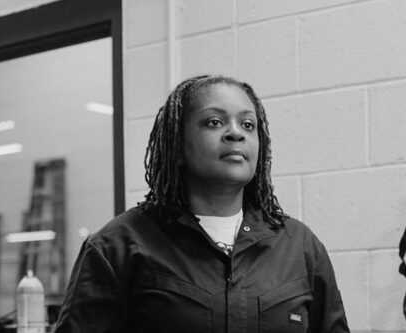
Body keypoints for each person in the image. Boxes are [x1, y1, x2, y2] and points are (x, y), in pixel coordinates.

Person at [54, 75, 350, 332]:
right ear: (178, 146)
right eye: (214, 122)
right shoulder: (117, 246)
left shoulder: (299, 247)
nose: (236, 132)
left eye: (248, 124)